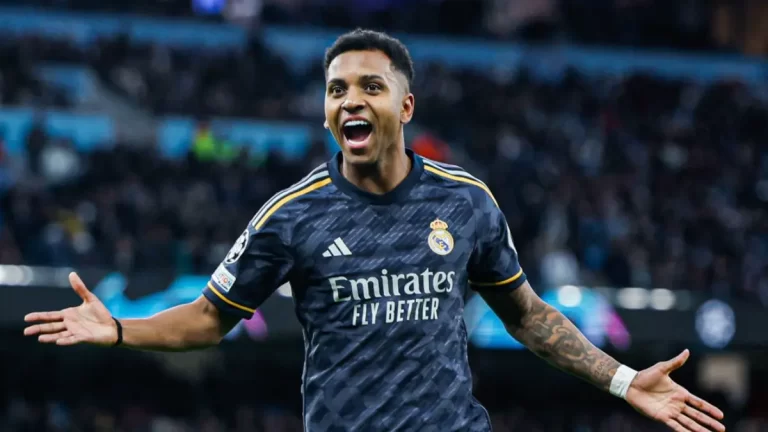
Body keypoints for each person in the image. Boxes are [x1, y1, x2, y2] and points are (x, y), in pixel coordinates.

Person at [24, 29, 724, 432]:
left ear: (405, 105)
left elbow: (532, 319)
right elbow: (209, 319)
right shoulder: (290, 214)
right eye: (336, 90)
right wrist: (118, 327)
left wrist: (624, 380)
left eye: (369, 86)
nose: (350, 100)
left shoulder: (468, 203)